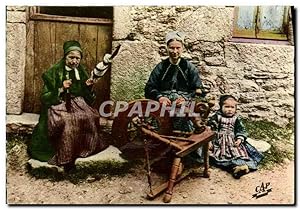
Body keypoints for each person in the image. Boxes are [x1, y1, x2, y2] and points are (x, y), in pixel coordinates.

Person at [29, 40, 112, 171]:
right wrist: (61, 88)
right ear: (65, 56)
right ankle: (66, 158)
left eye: (77, 58)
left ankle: (81, 150)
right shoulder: (54, 72)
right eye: (71, 57)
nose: (74, 61)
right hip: (59, 104)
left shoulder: (80, 70)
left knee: (90, 116)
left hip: (78, 103)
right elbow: (44, 97)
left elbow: (87, 97)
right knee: (68, 121)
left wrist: (88, 86)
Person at [145, 31, 204, 133]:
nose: (175, 51)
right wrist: (160, 97)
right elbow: (150, 87)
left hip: (183, 105)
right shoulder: (161, 67)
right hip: (164, 105)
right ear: (167, 48)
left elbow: (198, 90)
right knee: (161, 127)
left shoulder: (189, 67)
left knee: (185, 125)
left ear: (183, 48)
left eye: (178, 48)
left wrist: (186, 98)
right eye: (172, 48)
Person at [208, 95, 263, 179]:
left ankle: (241, 167)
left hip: (232, 141)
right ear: (220, 107)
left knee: (238, 153)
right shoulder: (216, 117)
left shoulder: (236, 118)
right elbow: (209, 130)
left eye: (232, 107)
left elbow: (241, 129)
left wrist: (240, 138)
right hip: (220, 142)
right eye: (226, 107)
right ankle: (235, 168)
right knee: (219, 157)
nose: (230, 109)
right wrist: (209, 141)